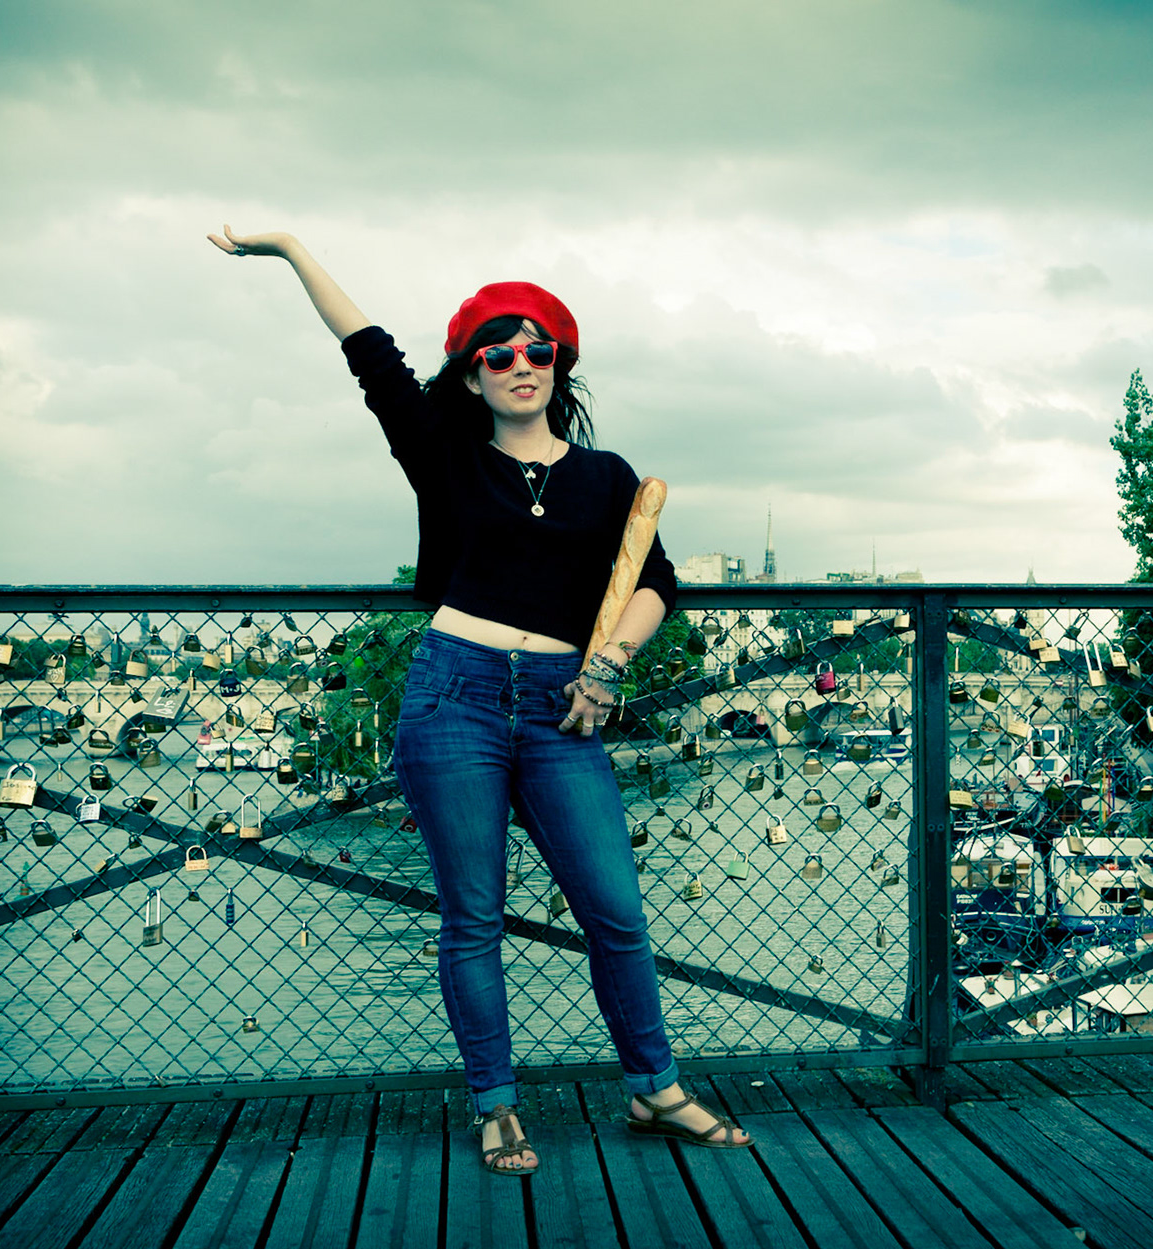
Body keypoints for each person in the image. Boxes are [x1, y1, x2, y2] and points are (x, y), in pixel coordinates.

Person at [207, 226, 752, 1175]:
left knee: (616, 912)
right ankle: (496, 1105)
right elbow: (370, 354)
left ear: (560, 362)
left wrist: (610, 663)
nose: (520, 365)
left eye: (538, 349)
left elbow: (654, 579)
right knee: (475, 919)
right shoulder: (443, 455)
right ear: (471, 376)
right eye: (497, 354)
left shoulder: (607, 477)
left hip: (561, 708)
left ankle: (655, 1089)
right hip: (452, 696)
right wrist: (292, 249)